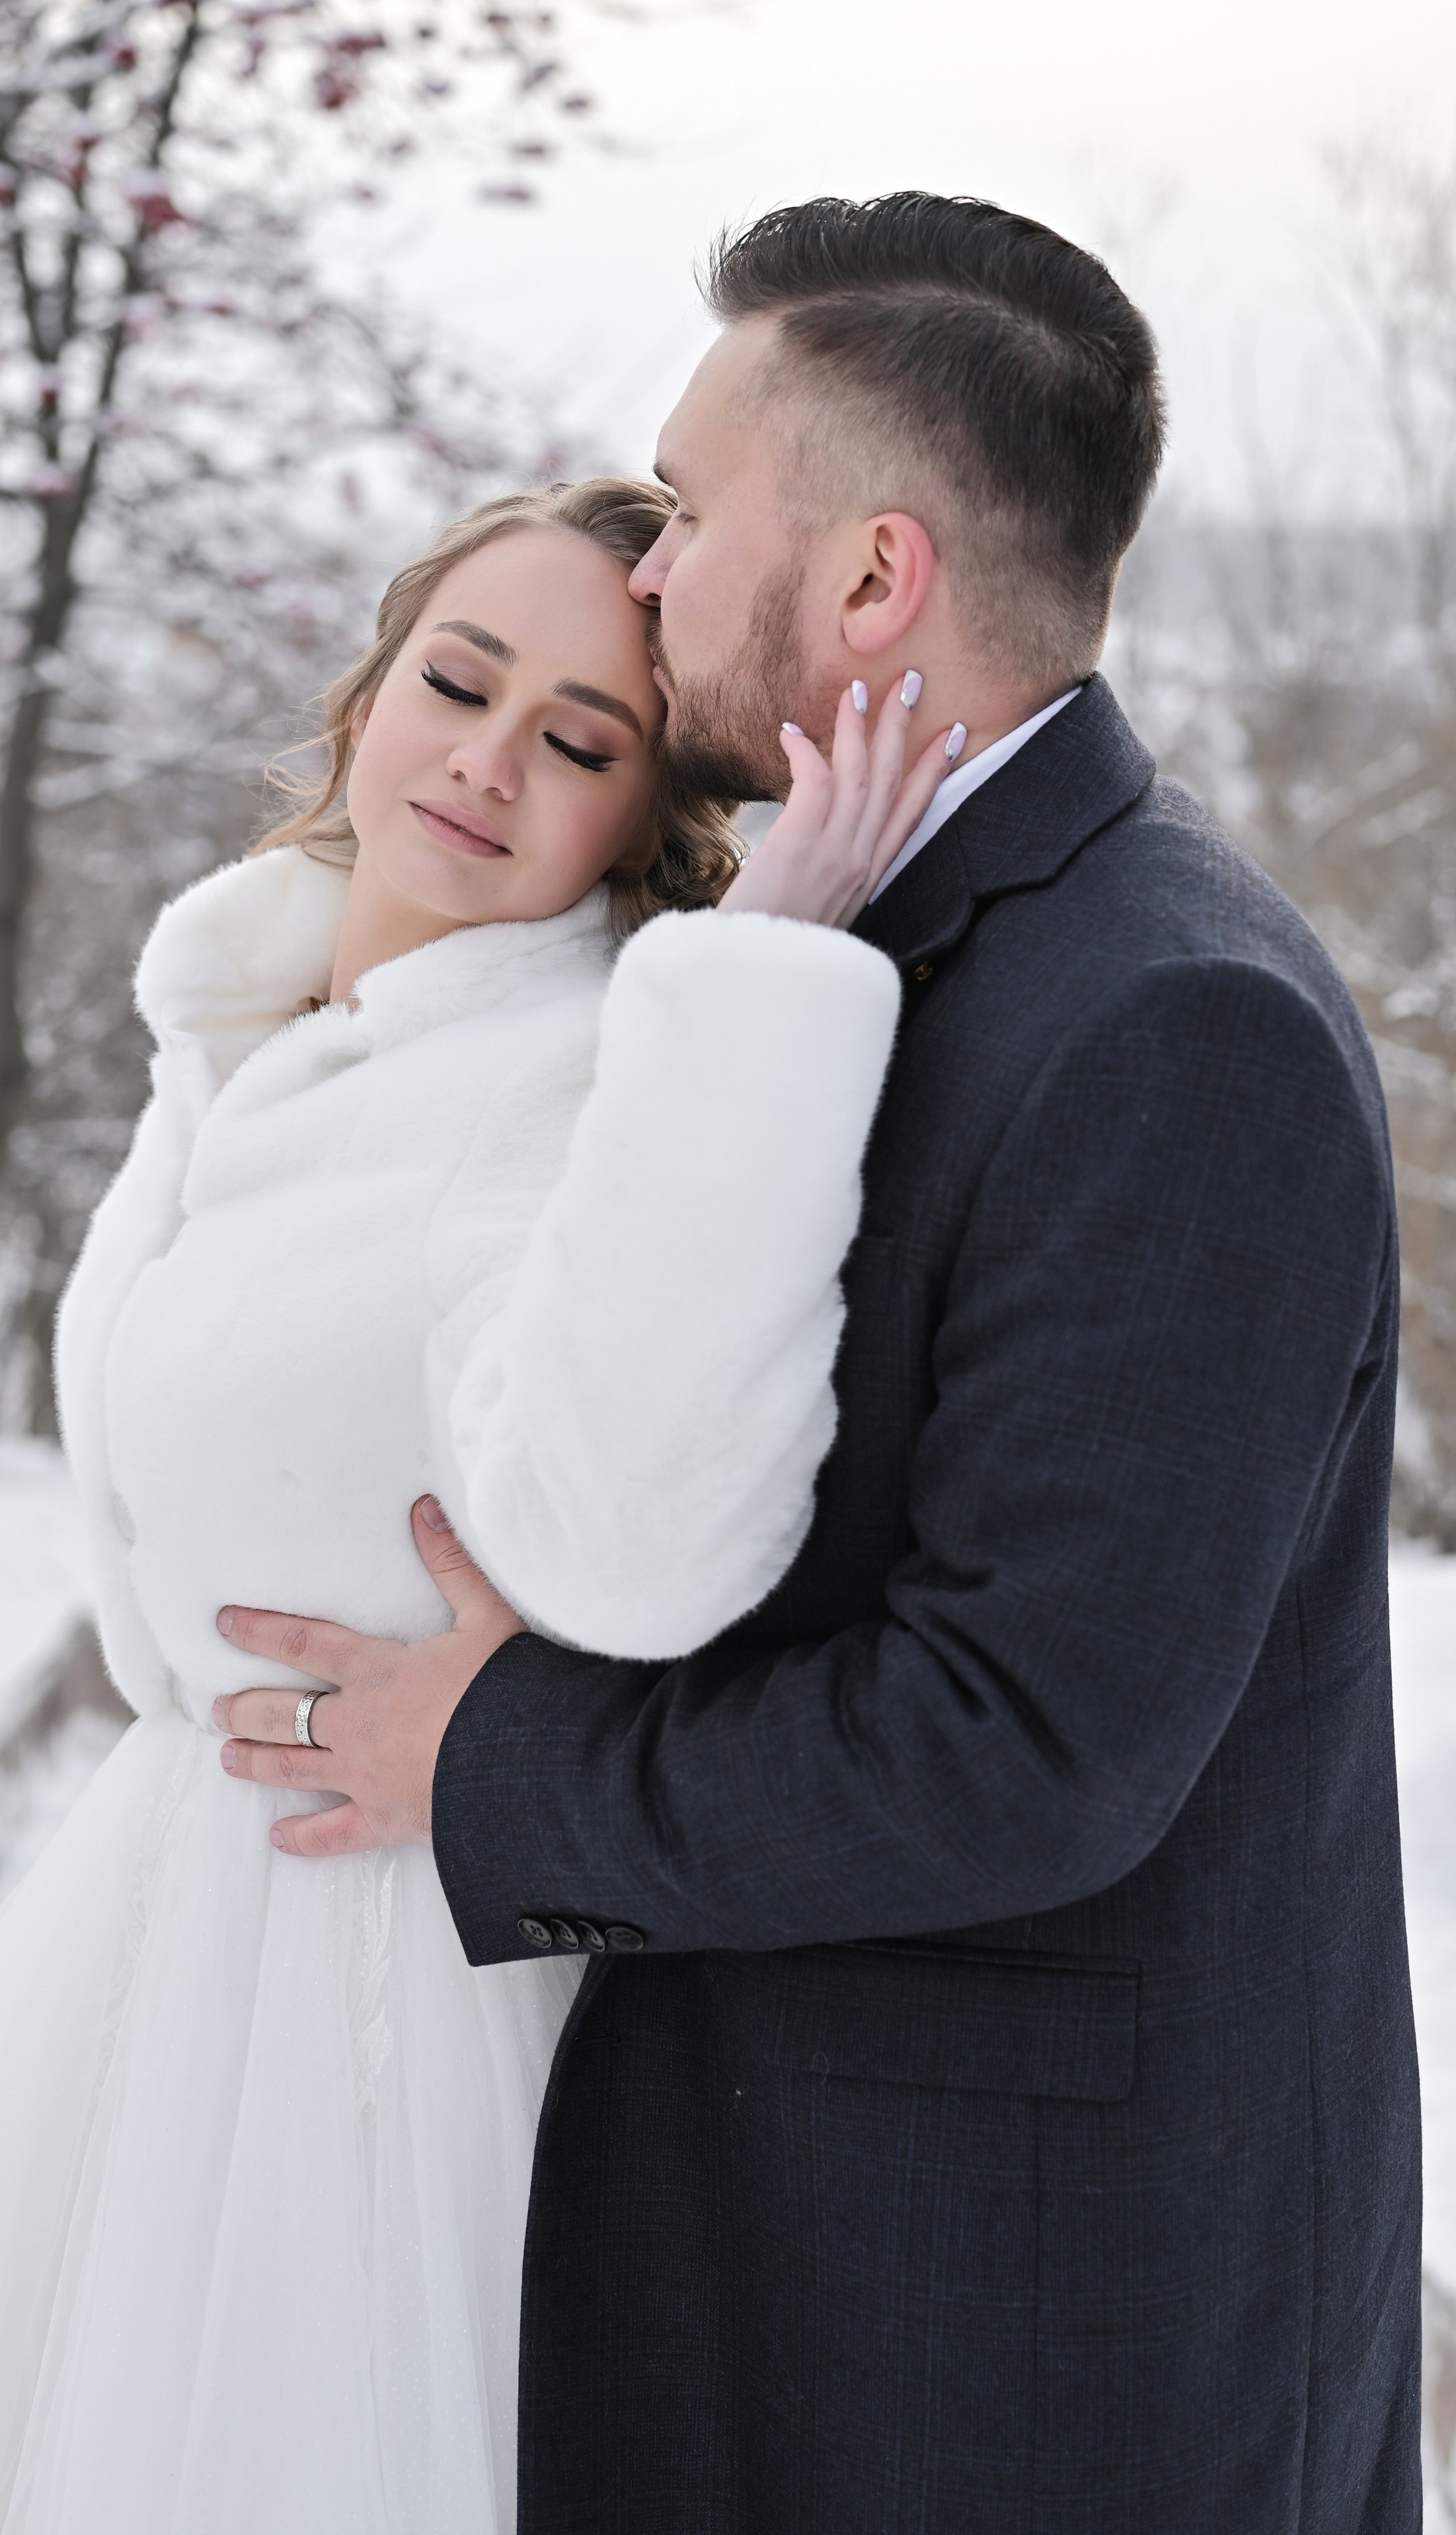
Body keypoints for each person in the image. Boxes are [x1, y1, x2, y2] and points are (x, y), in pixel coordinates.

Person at [215, 196, 1422, 2530]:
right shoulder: (875, 920)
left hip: (1024, 2353)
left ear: (871, 584)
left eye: (681, 513)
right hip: (808, 2257)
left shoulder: (1175, 1018)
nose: (639, 578)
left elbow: (1034, 1744)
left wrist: (500, 1760)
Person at [0, 475, 960, 2534]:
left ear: (639, 813)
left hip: (388, 1999)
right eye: (459, 680)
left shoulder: (570, 1079)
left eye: (580, 739)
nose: (491, 760)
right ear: (367, 694)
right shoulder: (250, 1031)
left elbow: (656, 1532)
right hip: (156, 1939)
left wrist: (756, 995)